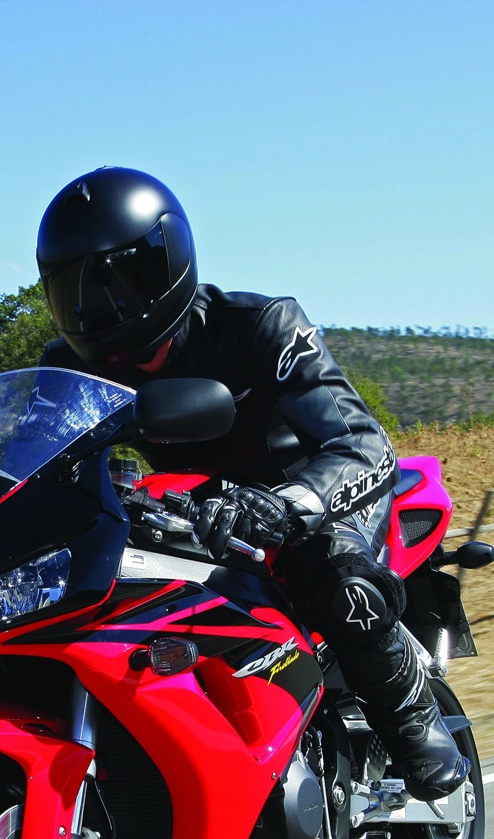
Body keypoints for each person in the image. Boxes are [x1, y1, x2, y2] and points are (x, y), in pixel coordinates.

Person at [36, 165, 468, 802]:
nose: (98, 306)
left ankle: (413, 721)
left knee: (339, 580)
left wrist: (289, 505)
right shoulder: (64, 369)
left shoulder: (260, 326)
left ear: (166, 261)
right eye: (72, 287)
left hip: (315, 493)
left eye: (114, 280)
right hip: (199, 507)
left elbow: (363, 443)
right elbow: (42, 464)